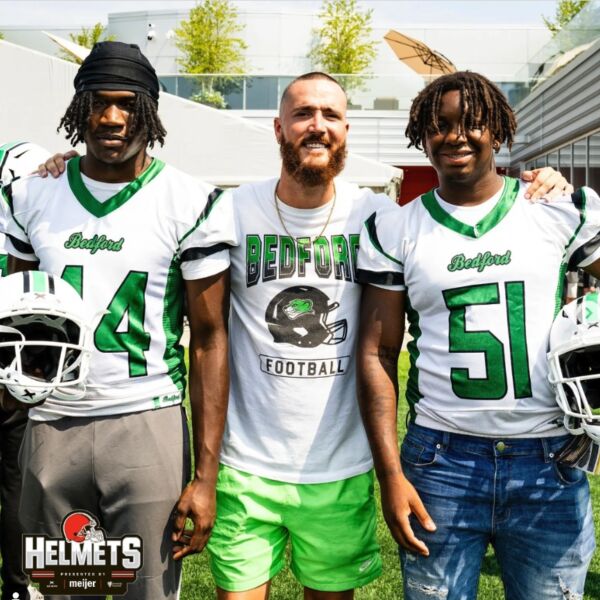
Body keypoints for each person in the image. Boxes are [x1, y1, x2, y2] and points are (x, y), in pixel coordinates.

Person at [39, 72, 570, 600]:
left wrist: (542, 183)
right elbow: (204, 328)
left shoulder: (380, 218)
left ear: (346, 130)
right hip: (244, 466)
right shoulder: (229, 210)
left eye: (331, 116)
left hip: (339, 464)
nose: (317, 126)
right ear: (278, 128)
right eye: (302, 115)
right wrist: (64, 168)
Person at [357, 71, 599, 599]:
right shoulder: (396, 229)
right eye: (439, 125)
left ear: (499, 129)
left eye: (472, 122)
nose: (455, 135)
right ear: (423, 133)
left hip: (547, 458)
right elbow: (377, 353)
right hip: (441, 460)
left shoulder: (558, 209)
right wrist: (391, 475)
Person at [3, 42, 229, 600]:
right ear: (78, 109)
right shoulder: (32, 193)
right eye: (97, 103)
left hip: (145, 416)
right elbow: (16, 312)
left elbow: (209, 340)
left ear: (150, 112)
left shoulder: (189, 200)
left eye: (126, 103)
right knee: (59, 589)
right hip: (52, 420)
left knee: (146, 591)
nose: (110, 117)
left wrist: (205, 476)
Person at [0, 141, 48, 600]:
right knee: (17, 484)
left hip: (14, 360)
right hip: (17, 359)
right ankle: (17, 589)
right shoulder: (29, 167)